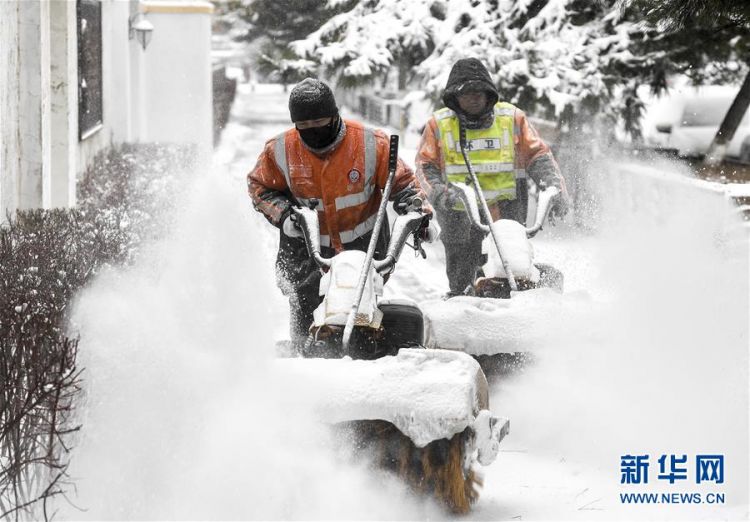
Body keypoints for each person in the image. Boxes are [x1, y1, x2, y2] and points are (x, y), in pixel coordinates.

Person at [248, 78, 435, 344]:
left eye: (320, 123)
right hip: (307, 250)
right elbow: (260, 187)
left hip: (362, 246)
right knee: (306, 316)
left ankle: (365, 358)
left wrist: (418, 213)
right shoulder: (280, 150)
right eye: (305, 126)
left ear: (335, 116)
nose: (314, 131)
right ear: (295, 124)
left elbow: (404, 185)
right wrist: (284, 215)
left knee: (359, 312)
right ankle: (306, 362)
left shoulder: (372, 144)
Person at [415, 58, 569, 297]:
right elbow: (425, 166)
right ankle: (465, 319)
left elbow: (538, 156)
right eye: (467, 93)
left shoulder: (512, 119)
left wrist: (553, 188)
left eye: (480, 91)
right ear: (455, 97)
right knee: (462, 286)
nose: (474, 97)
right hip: (460, 215)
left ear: (490, 94)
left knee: (514, 273)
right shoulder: (439, 125)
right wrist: (438, 191)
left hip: (506, 212)